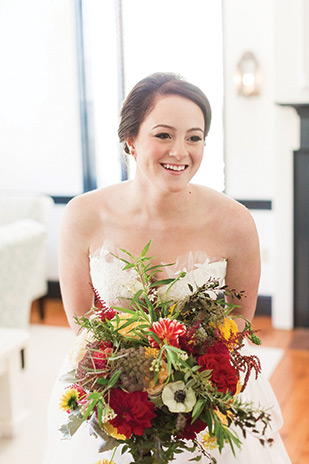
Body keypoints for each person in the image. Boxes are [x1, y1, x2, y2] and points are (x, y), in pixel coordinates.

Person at [44, 72, 291, 463]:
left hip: (207, 397)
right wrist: (133, 382)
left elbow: (239, 322)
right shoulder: (84, 215)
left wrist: (186, 379)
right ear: (131, 140)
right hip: (115, 390)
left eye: (194, 137)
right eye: (163, 135)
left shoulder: (235, 222)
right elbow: (82, 321)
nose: (180, 151)